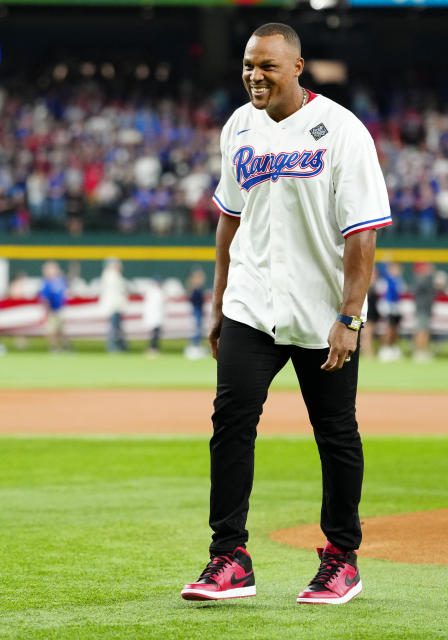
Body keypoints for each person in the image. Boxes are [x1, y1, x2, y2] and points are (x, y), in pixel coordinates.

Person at [180, 23, 390, 606]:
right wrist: (221, 302)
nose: (254, 75)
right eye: (248, 65)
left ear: (298, 68)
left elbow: (363, 233)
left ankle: (342, 558)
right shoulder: (238, 127)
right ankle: (230, 557)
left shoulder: (343, 132)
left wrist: (350, 318)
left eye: (268, 66)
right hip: (252, 305)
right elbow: (230, 218)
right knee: (231, 422)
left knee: (336, 433)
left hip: (321, 312)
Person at [38, 261, 69, 352]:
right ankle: (54, 347)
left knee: (61, 330)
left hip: (60, 309)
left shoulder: (60, 281)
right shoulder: (47, 284)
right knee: (52, 330)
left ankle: (64, 346)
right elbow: (44, 299)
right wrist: (47, 311)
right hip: (52, 310)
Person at [99, 257, 128, 352]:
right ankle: (113, 347)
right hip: (114, 307)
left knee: (117, 328)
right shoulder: (111, 276)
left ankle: (119, 347)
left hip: (117, 307)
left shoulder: (113, 275)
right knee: (114, 328)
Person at [411, 262, 435, 362]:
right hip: (421, 309)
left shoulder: (426, 279)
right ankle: (419, 352)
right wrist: (429, 274)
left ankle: (423, 351)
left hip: (426, 309)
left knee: (425, 331)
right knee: (421, 331)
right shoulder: (420, 279)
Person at [185, 267, 207, 360]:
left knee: (199, 329)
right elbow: (193, 301)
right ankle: (193, 348)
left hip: (199, 311)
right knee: (196, 329)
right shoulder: (194, 289)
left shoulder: (199, 289)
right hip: (195, 311)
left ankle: (196, 347)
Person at [142, 276, 166, 357]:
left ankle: (154, 348)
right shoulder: (154, 291)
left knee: (156, 334)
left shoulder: (155, 291)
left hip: (156, 316)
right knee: (154, 334)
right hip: (154, 316)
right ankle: (152, 349)